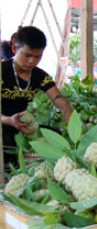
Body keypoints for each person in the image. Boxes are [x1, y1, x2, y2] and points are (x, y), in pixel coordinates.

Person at [1, 26, 73, 170]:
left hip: (20, 125)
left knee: (55, 136)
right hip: (3, 125)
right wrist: (8, 120)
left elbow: (62, 104)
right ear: (15, 49)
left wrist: (76, 134)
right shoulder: (3, 71)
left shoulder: (40, 76)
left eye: (37, 57)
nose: (31, 61)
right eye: (27, 55)